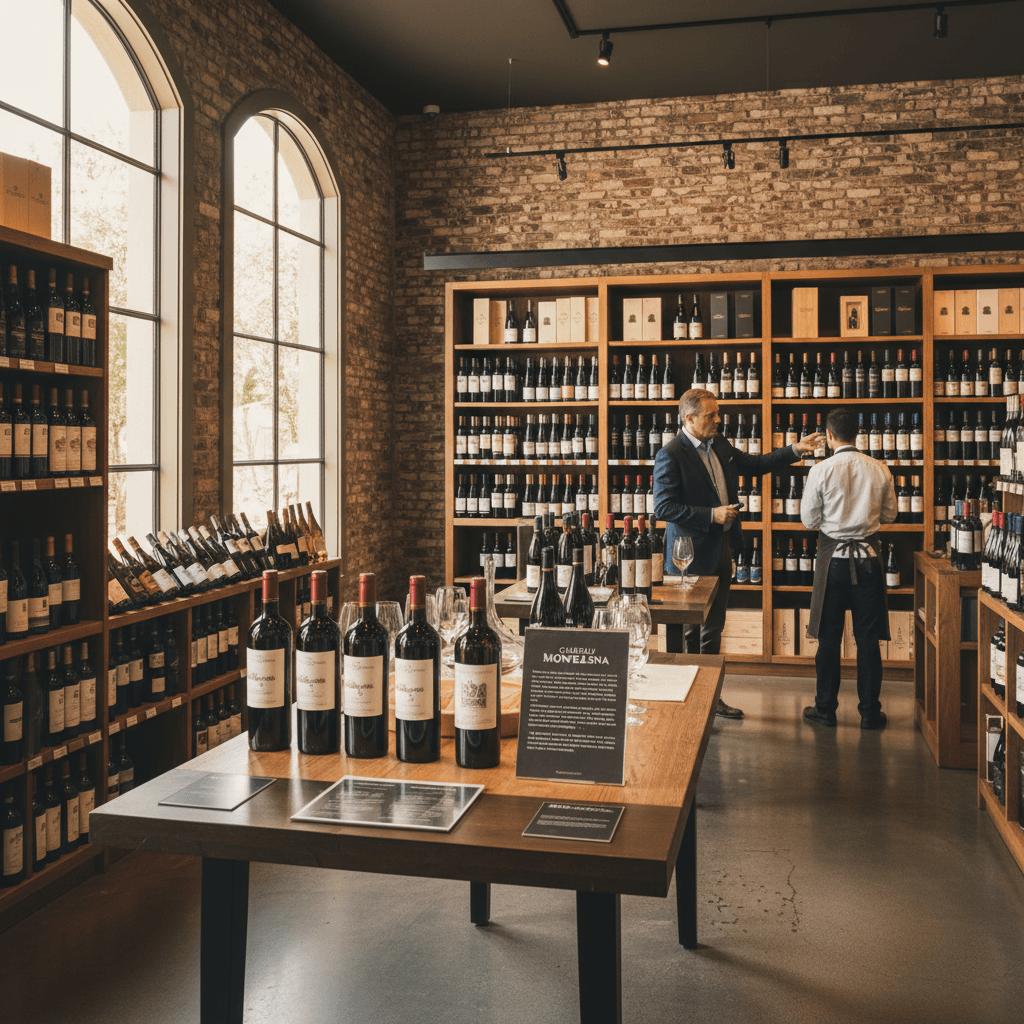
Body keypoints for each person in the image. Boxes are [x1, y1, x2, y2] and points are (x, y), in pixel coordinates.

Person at [654, 388, 824, 718]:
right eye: (711, 415)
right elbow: (663, 507)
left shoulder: (719, 444)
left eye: (718, 413)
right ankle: (685, 702)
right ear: (690, 418)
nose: (719, 420)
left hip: (722, 548)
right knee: (689, 632)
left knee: (713, 628)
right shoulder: (670, 454)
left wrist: (795, 450)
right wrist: (711, 515)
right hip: (688, 556)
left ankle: (710, 696)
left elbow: (755, 464)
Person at [800, 407, 897, 730]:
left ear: (829, 435)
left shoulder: (820, 470)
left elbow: (809, 520)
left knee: (828, 640)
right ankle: (869, 713)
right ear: (858, 433)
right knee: (868, 640)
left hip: (833, 564)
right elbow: (890, 515)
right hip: (868, 563)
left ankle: (825, 710)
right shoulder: (879, 468)